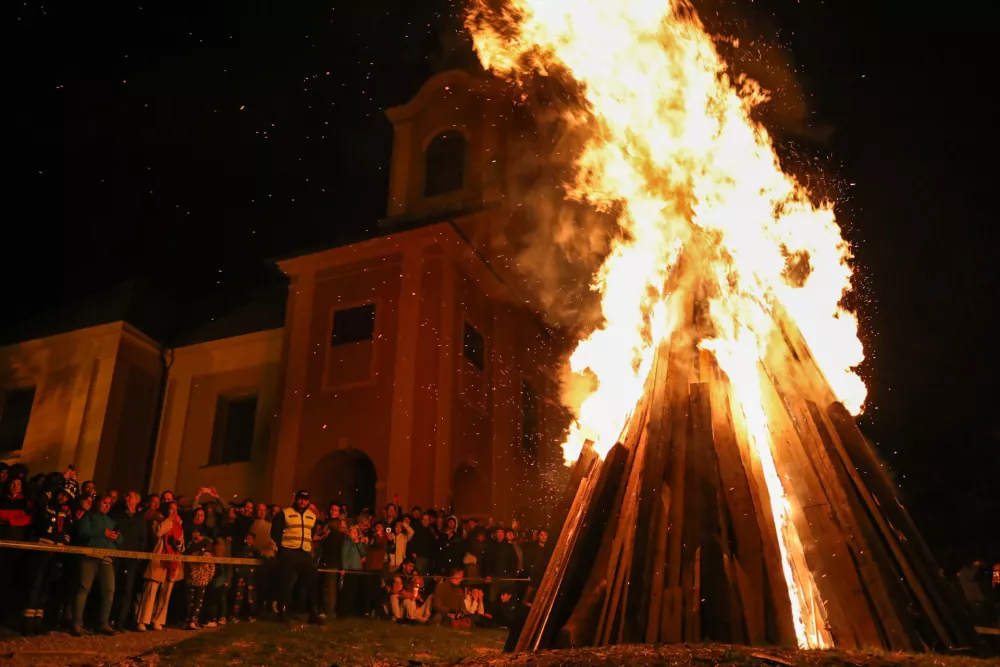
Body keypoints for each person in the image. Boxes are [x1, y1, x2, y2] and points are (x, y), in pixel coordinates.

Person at [72, 494, 122, 636]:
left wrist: (116, 537)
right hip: (90, 556)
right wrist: (102, 532)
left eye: (109, 504)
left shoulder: (110, 521)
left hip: (106, 558)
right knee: (83, 588)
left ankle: (103, 623)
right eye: (104, 502)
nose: (106, 505)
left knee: (109, 590)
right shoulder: (88, 517)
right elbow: (82, 532)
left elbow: (120, 539)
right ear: (97, 503)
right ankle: (77, 623)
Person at [269, 489, 322, 624]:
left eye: (305, 499)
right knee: (286, 584)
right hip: (289, 552)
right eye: (300, 498)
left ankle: (313, 613)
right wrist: (282, 547)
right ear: (295, 499)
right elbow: (275, 531)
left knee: (311, 582)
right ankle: (284, 612)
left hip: (304, 552)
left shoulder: (312, 516)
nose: (302, 501)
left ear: (308, 501)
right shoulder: (285, 513)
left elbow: (312, 532)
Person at [136, 501, 184, 631]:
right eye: (171, 510)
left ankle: (157, 619)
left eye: (176, 510)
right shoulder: (158, 521)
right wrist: (169, 520)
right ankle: (143, 620)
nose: (174, 512)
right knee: (151, 590)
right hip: (159, 559)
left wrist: (178, 543)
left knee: (166, 592)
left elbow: (182, 546)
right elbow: (158, 532)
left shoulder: (178, 526)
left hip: (172, 562)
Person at [109, 490, 148, 630]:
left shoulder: (140, 519)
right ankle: (109, 618)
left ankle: (120, 621)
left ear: (137, 500)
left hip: (131, 560)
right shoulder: (117, 514)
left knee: (127, 590)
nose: (126, 497)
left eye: (130, 496)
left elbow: (143, 539)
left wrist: (138, 557)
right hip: (116, 556)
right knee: (112, 588)